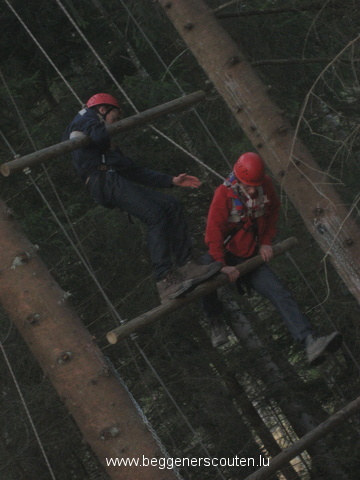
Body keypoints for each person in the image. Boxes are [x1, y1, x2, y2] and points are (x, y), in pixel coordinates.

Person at [64, 93, 221, 302]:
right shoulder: (84, 119)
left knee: (170, 205)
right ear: (103, 110)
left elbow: (133, 170)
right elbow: (97, 134)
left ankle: (186, 265)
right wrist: (105, 133)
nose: (116, 124)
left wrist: (171, 181)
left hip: (112, 177)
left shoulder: (101, 141)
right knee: (155, 215)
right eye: (115, 117)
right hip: (101, 181)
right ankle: (164, 280)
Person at [202, 152, 342, 366]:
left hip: (249, 255)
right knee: (204, 272)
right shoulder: (223, 195)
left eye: (254, 185)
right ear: (238, 179)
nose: (251, 190)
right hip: (226, 254)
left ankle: (310, 342)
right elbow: (213, 234)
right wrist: (222, 266)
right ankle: (215, 321)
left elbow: (273, 210)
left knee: (280, 293)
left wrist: (266, 241)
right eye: (247, 185)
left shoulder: (265, 185)